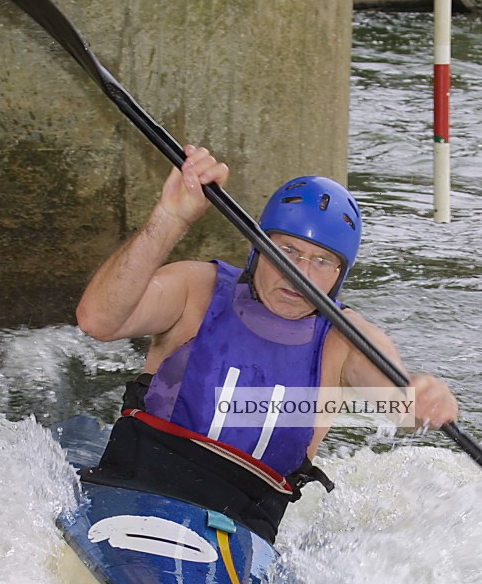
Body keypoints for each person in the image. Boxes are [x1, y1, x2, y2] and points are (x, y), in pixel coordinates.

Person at [76, 145, 458, 543]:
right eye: (287, 251)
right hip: (127, 494)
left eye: (322, 260)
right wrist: (170, 217)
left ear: (340, 275)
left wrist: (427, 398)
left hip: (241, 539)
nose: (299, 273)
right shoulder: (196, 291)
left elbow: (403, 409)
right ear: (258, 249)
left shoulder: (346, 341)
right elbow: (97, 320)